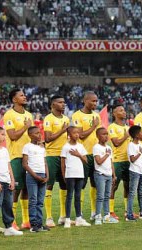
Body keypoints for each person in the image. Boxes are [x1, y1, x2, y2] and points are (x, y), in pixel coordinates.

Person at [0, 126, 23, 239]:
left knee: (8, 205)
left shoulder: (5, 150)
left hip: (7, 181)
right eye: (2, 134)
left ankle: (9, 228)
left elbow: (8, 165)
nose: (4, 136)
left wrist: (12, 179)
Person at [3, 89, 33, 230]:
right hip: (16, 156)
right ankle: (12, 221)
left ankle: (26, 221)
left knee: (26, 188)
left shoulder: (28, 115)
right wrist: (25, 127)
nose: (24, 96)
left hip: (29, 155)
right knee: (16, 189)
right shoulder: (9, 115)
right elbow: (13, 136)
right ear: (14, 99)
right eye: (21, 95)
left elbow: (32, 135)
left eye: (24, 95)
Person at [72, 91, 101, 220]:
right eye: (92, 101)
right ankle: (80, 213)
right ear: (85, 101)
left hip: (95, 155)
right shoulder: (77, 115)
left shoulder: (96, 116)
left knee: (95, 183)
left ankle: (94, 212)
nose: (95, 103)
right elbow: (81, 135)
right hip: (83, 155)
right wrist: (94, 126)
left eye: (96, 101)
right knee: (82, 184)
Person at [43, 95, 70, 227]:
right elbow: (48, 138)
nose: (63, 104)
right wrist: (63, 130)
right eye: (60, 102)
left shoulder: (66, 118)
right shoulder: (48, 119)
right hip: (52, 155)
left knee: (64, 184)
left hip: (64, 156)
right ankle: (48, 217)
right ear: (53, 105)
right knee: (49, 185)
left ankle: (63, 216)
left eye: (64, 102)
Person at [60, 126, 91, 227]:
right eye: (74, 133)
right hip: (70, 174)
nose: (77, 135)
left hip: (79, 174)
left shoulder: (80, 146)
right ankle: (67, 219)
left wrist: (79, 155)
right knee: (69, 196)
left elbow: (86, 161)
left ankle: (78, 218)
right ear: (69, 135)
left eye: (78, 133)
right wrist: (64, 175)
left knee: (78, 196)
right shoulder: (65, 147)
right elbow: (62, 163)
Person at [22, 126, 50, 232]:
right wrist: (35, 176)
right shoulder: (27, 147)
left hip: (42, 175)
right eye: (36, 133)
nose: (39, 135)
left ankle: (39, 223)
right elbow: (25, 164)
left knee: (40, 201)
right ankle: (33, 224)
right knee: (33, 200)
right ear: (30, 135)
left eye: (40, 133)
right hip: (32, 176)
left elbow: (45, 162)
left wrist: (47, 176)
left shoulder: (42, 148)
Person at [108, 104, 130, 220]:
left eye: (124, 110)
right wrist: (126, 136)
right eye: (121, 110)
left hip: (128, 160)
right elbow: (116, 143)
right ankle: (110, 211)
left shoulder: (127, 127)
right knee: (114, 186)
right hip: (117, 160)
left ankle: (127, 211)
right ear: (114, 113)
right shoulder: (112, 127)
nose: (124, 112)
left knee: (128, 186)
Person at [93, 128, 118, 225]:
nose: (106, 136)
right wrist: (107, 154)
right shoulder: (96, 147)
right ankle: (98, 216)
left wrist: (114, 175)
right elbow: (98, 161)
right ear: (98, 136)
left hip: (108, 175)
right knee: (100, 196)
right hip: (100, 174)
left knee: (107, 196)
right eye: (103, 134)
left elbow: (111, 162)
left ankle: (107, 216)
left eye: (107, 134)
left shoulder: (109, 148)